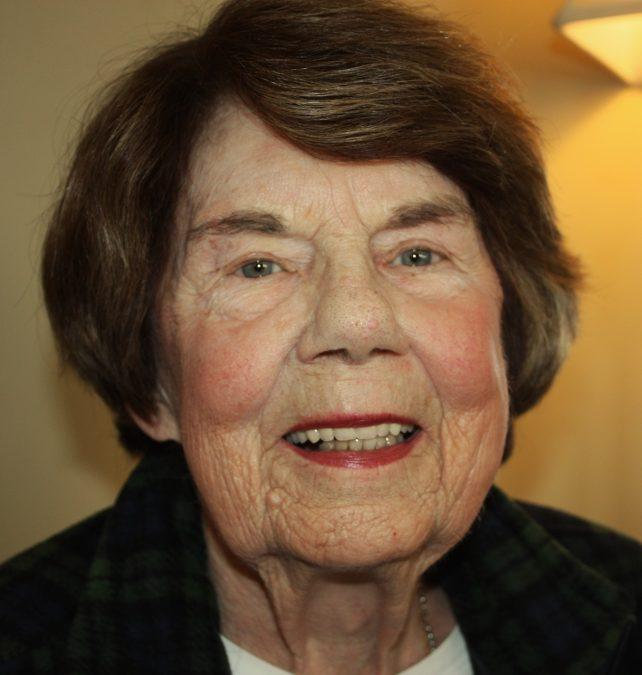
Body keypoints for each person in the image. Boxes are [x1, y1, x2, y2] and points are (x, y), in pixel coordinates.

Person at [1, 0, 640, 672]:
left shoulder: (621, 606)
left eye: (417, 254)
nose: (356, 323)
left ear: (508, 329)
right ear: (152, 380)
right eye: (257, 265)